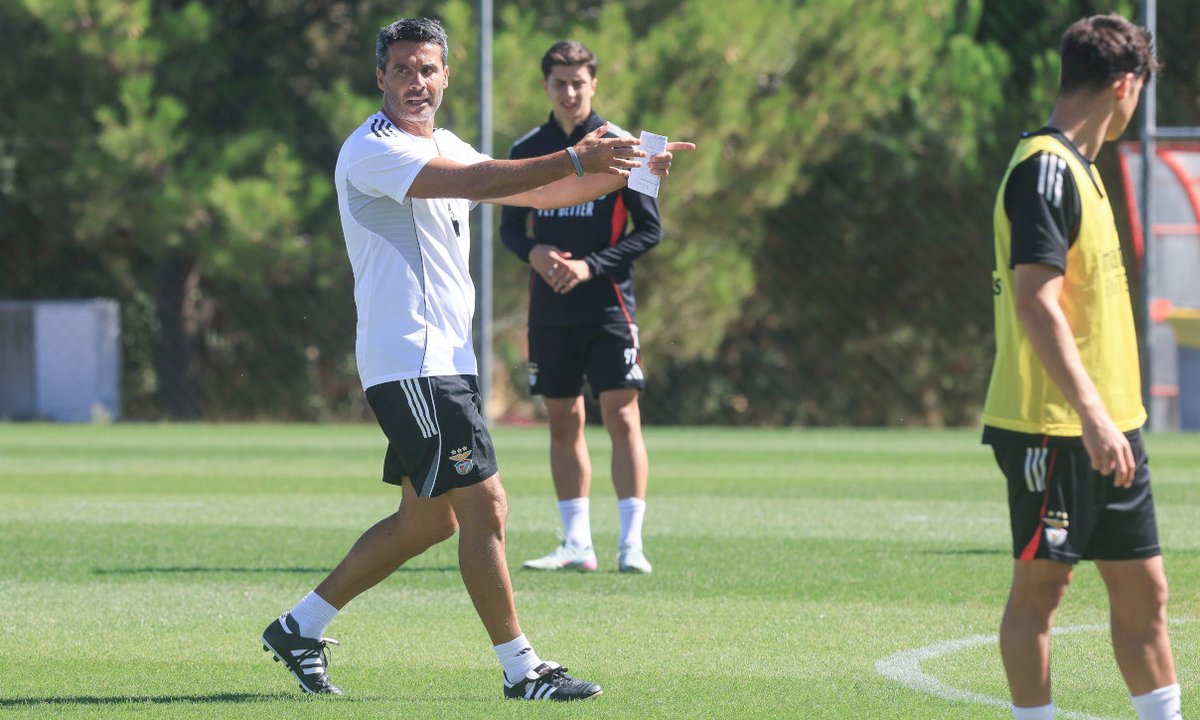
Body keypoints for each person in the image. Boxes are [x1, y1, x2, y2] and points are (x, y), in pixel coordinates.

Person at [258, 17, 693, 701]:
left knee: (429, 520)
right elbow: (496, 177)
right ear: (380, 76)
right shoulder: (371, 150)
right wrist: (582, 156)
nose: (416, 82)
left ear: (446, 76)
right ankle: (523, 671)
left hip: (443, 363)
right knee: (487, 508)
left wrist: (632, 171)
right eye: (402, 69)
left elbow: (538, 193)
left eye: (427, 69)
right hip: (413, 363)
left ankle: (299, 626)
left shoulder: (446, 141)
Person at [982, 14, 1181, 720]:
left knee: (1146, 595)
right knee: (1040, 596)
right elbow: (1037, 304)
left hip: (1111, 427)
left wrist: (1111, 421)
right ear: (1125, 84)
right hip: (1055, 426)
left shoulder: (1081, 169)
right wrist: (1093, 417)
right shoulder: (1043, 169)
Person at [500, 41, 658, 575]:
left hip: (609, 305)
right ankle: (576, 543)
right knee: (563, 418)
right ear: (546, 87)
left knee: (622, 415)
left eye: (578, 82)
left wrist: (591, 266)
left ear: (594, 84)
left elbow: (650, 230)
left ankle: (631, 544)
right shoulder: (528, 147)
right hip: (549, 309)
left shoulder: (626, 145)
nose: (569, 92)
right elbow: (509, 228)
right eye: (559, 83)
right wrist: (535, 251)